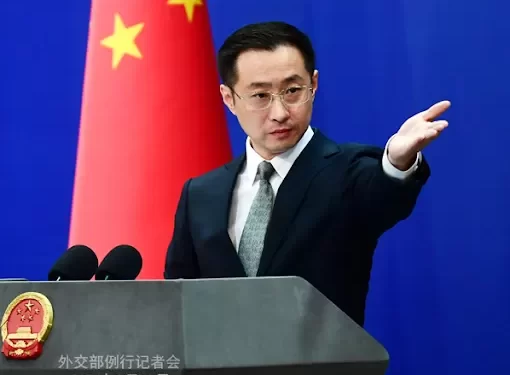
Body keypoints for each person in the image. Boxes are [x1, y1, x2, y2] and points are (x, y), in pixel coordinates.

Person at [163, 21, 450, 326]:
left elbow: (382, 195)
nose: (280, 112)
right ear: (229, 98)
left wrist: (396, 161)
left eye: (292, 91)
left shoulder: (348, 170)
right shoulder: (201, 193)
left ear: (313, 85)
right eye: (260, 96)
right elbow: (177, 300)